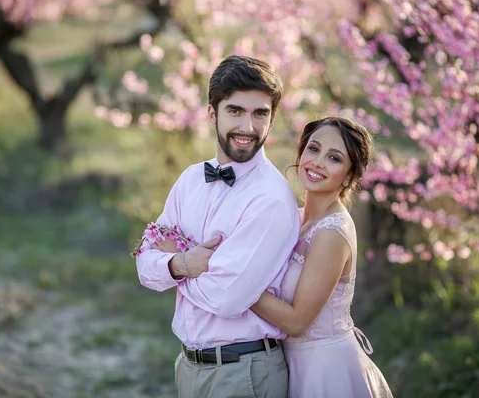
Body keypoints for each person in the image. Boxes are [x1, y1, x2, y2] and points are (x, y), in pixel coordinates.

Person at [157, 116, 394, 397]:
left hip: (323, 370)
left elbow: (296, 321)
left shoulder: (333, 233)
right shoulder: (294, 216)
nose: (318, 162)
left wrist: (231, 278)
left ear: (351, 175)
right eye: (314, 149)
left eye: (334, 158)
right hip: (285, 362)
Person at [136, 55, 301, 397]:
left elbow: (227, 298)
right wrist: (183, 264)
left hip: (244, 374)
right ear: (213, 114)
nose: (248, 127)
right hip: (188, 367)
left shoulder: (270, 198)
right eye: (235, 111)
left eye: (260, 114)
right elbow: (144, 264)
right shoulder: (189, 180)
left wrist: (174, 274)